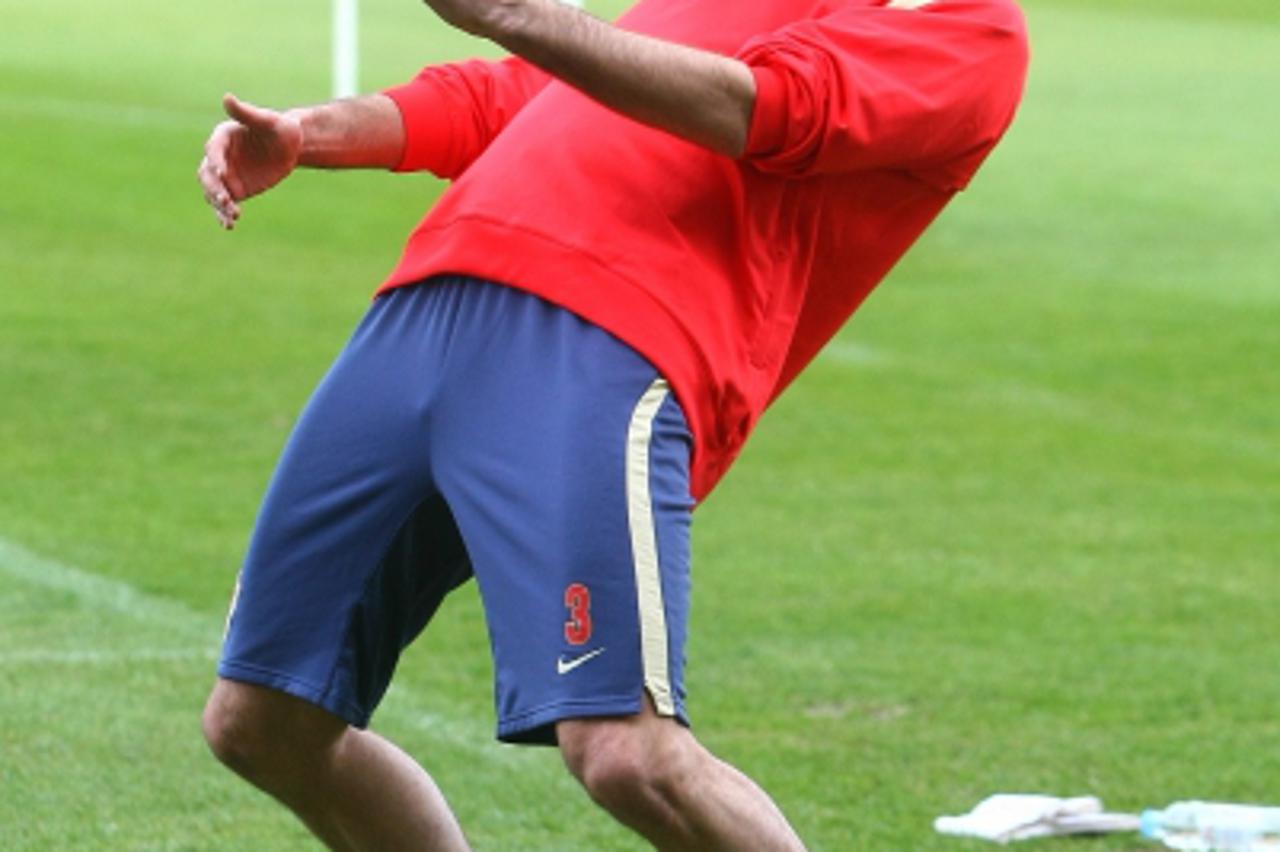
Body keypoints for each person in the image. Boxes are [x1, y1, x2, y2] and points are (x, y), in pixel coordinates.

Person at [197, 0, 1028, 848]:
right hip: (426, 307)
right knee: (260, 720)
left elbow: (757, 108)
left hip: (614, 334)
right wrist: (315, 132)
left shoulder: (971, 30)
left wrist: (516, 14)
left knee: (627, 753)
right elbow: (528, 91)